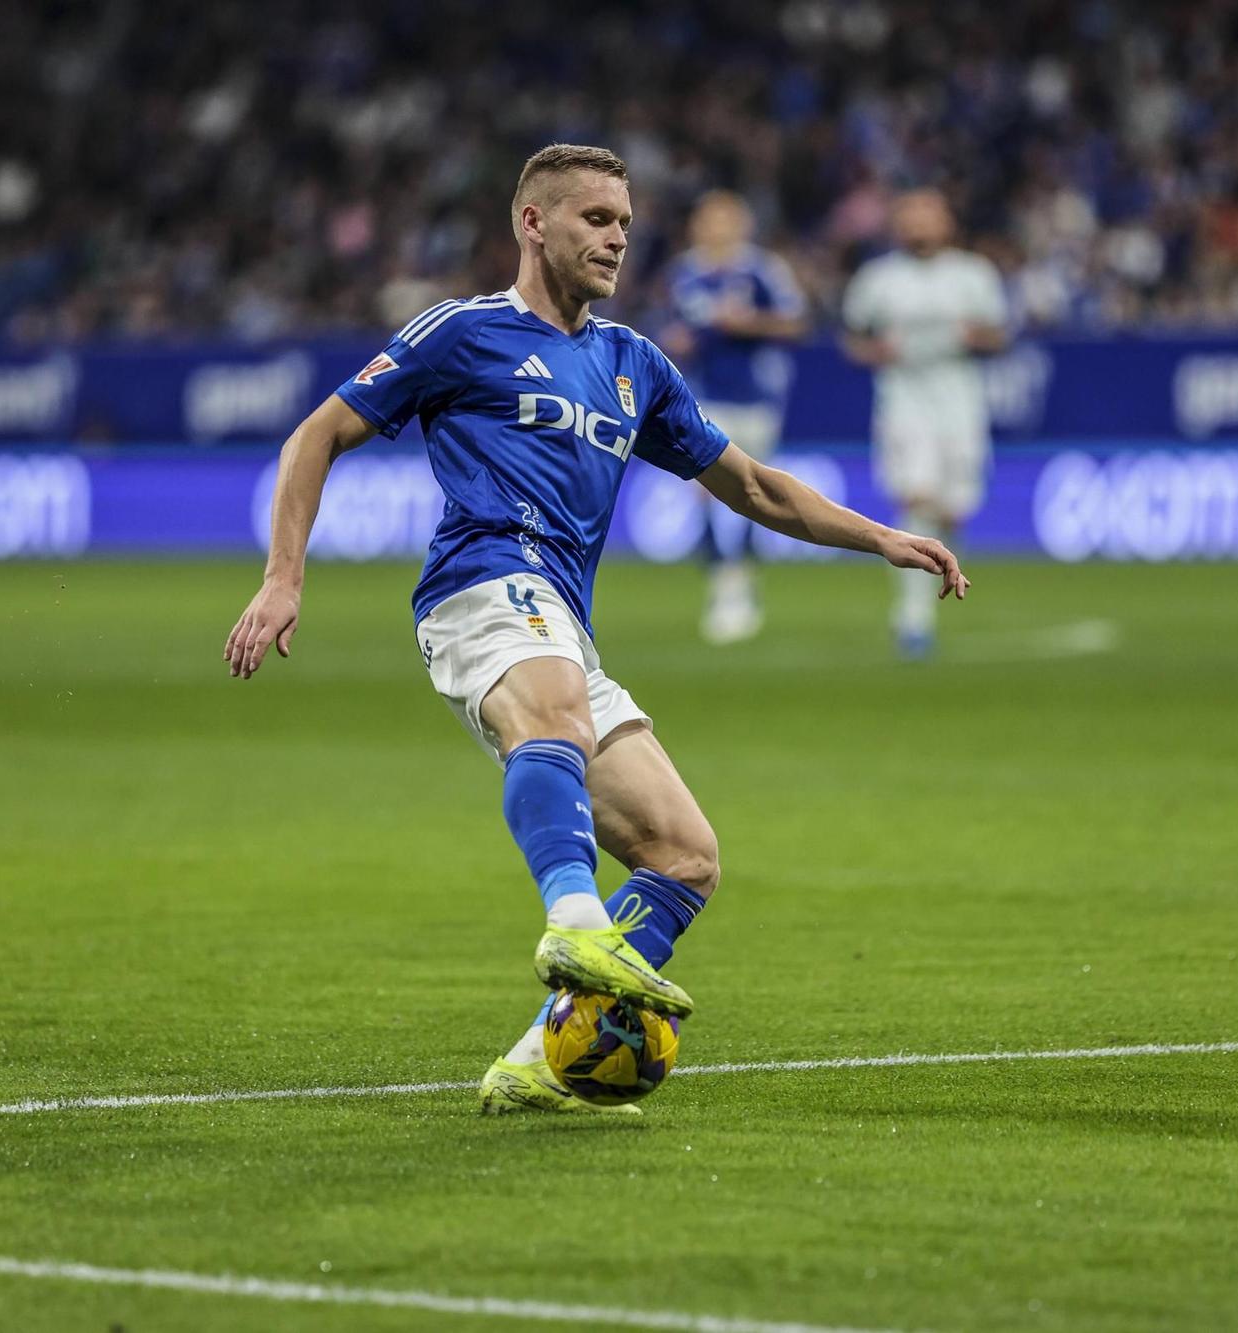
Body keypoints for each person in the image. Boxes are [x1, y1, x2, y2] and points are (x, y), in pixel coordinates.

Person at [224, 145, 970, 1116]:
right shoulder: (463, 333)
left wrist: (880, 538)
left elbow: (749, 485)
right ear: (533, 223)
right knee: (556, 715)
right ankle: (572, 918)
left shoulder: (630, 363)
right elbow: (315, 433)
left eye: (623, 220)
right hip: (480, 585)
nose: (617, 236)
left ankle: (541, 1056)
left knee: (684, 853)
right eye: (593, 219)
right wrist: (284, 577)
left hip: (561, 623)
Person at [841, 189, 1009, 658]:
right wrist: (876, 352)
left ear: (947, 222)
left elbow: (1000, 335)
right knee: (917, 501)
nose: (919, 224)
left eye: (929, 215)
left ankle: (944, 573)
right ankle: (912, 618)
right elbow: (852, 340)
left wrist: (976, 337)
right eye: (911, 216)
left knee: (954, 509)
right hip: (904, 403)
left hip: (960, 403)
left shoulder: (973, 275)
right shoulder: (879, 279)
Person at [661, 191, 810, 644]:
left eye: (724, 219)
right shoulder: (685, 273)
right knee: (706, 488)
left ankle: (740, 576)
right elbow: (673, 326)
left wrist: (748, 323)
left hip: (757, 397)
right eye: (708, 219)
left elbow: (795, 322)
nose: (715, 228)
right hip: (702, 395)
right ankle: (721, 577)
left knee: (749, 490)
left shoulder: (762, 270)